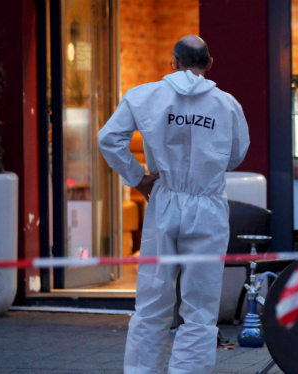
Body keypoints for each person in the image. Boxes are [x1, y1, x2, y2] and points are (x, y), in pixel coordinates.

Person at [98, 35, 250, 374]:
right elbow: (236, 156)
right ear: (209, 64)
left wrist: (137, 176)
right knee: (200, 308)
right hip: (208, 208)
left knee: (151, 302)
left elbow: (108, 138)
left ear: (174, 62)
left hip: (164, 201)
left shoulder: (145, 96)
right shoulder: (227, 104)